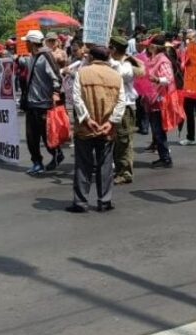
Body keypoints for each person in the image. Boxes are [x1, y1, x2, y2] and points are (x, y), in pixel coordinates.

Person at [67, 45, 127, 213]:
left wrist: (86, 118)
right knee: (105, 165)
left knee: (83, 165)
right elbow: (121, 101)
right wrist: (111, 122)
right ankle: (104, 201)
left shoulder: (82, 73)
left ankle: (80, 202)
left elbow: (76, 98)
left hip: (85, 127)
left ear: (92, 57)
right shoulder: (116, 76)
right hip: (107, 127)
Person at [22, 30, 65, 176]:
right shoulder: (32, 57)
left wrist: (55, 93)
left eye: (26, 42)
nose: (25, 45)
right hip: (31, 103)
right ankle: (37, 162)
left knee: (47, 136)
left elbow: (57, 77)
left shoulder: (45, 56)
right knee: (31, 137)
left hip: (44, 104)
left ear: (32, 43)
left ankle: (56, 153)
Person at [109, 36, 141, 185]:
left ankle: (125, 172)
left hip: (125, 106)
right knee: (115, 139)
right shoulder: (115, 63)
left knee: (123, 140)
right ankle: (119, 169)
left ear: (114, 49)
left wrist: (109, 61)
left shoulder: (127, 64)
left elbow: (120, 74)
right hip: (113, 105)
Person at [144, 35, 176, 169]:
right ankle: (163, 156)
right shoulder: (153, 59)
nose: (148, 47)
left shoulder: (162, 60)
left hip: (159, 98)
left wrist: (156, 79)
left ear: (155, 47)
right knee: (156, 130)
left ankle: (166, 158)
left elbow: (168, 78)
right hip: (152, 97)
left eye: (150, 45)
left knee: (158, 130)